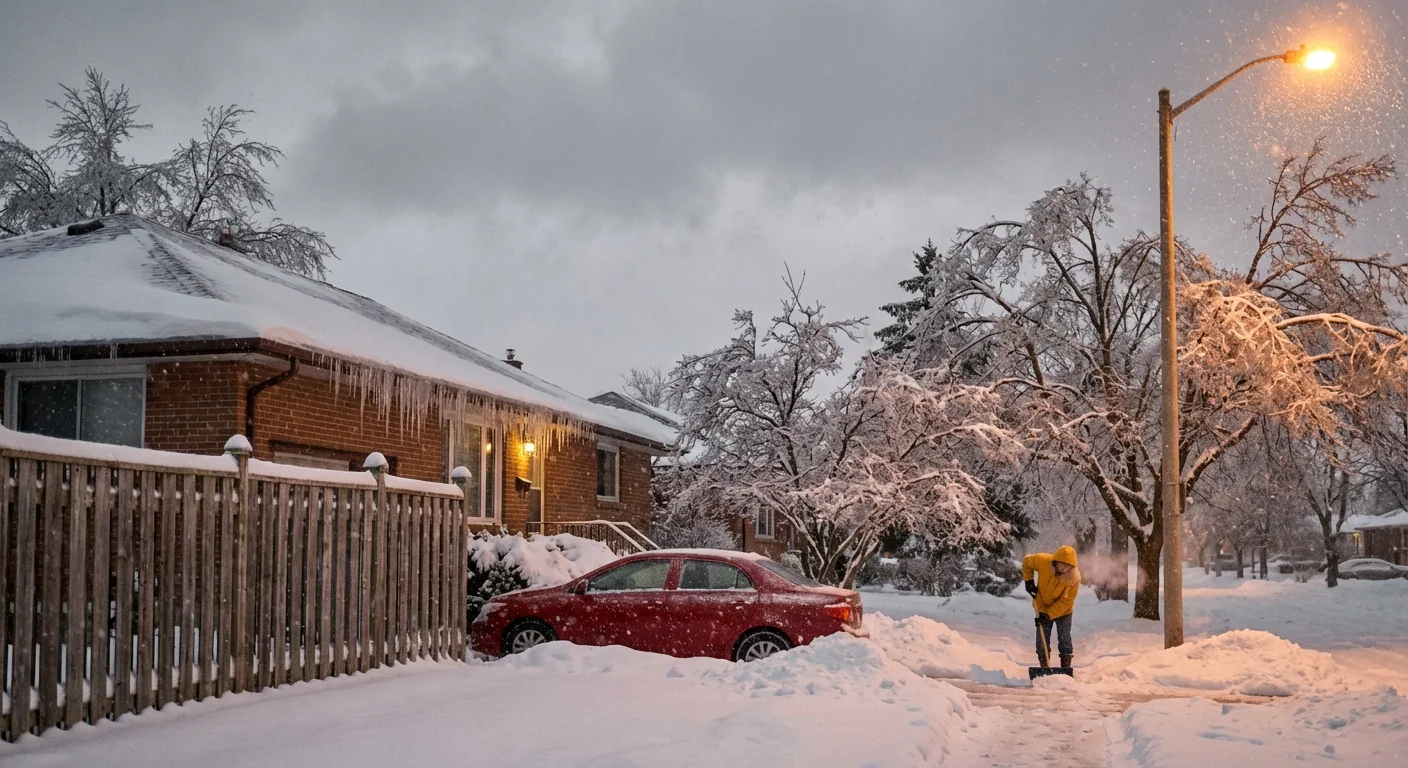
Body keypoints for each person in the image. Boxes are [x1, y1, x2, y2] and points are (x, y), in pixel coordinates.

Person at [1022, 545, 1081, 668]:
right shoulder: (1043, 561)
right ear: (1055, 562)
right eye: (1063, 565)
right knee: (1041, 640)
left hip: (1064, 611)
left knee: (1064, 638)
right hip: (1042, 606)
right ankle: (1044, 667)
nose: (1065, 569)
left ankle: (1065, 668)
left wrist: (1049, 615)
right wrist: (1029, 582)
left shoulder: (1074, 578)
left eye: (1069, 566)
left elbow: (1066, 602)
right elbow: (1027, 561)